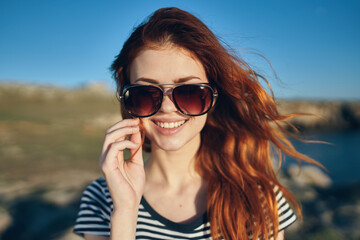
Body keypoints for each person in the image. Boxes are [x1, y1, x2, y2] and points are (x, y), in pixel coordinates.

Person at [73, 7, 317, 240]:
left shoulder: (258, 197)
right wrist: (125, 211)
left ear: (213, 96)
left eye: (189, 92)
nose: (167, 107)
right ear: (128, 100)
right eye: (146, 93)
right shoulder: (102, 198)